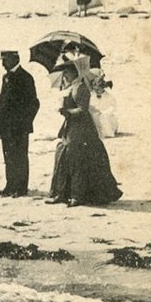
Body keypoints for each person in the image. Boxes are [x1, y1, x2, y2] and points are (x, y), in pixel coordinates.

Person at [46, 57, 122, 207]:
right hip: (72, 127)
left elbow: (83, 109)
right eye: (65, 73)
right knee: (63, 156)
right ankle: (62, 193)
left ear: (75, 73)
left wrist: (66, 111)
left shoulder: (81, 87)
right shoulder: (71, 87)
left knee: (77, 160)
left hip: (82, 129)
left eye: (67, 72)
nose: (65, 75)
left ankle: (77, 195)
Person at [0, 50, 40, 197]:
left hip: (20, 126)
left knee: (20, 157)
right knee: (8, 157)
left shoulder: (26, 77)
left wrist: (25, 122)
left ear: (15, 59)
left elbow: (34, 103)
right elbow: (2, 103)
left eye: (5, 60)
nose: (3, 63)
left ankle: (21, 188)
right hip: (7, 126)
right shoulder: (5, 77)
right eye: (2, 60)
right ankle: (10, 185)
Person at [87, 68, 118, 139]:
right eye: (95, 89)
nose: (97, 90)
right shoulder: (92, 95)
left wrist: (103, 112)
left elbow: (113, 107)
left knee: (104, 118)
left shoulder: (109, 97)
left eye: (99, 89)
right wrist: (93, 110)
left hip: (106, 116)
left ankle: (106, 132)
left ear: (103, 88)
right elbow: (89, 105)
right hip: (95, 115)